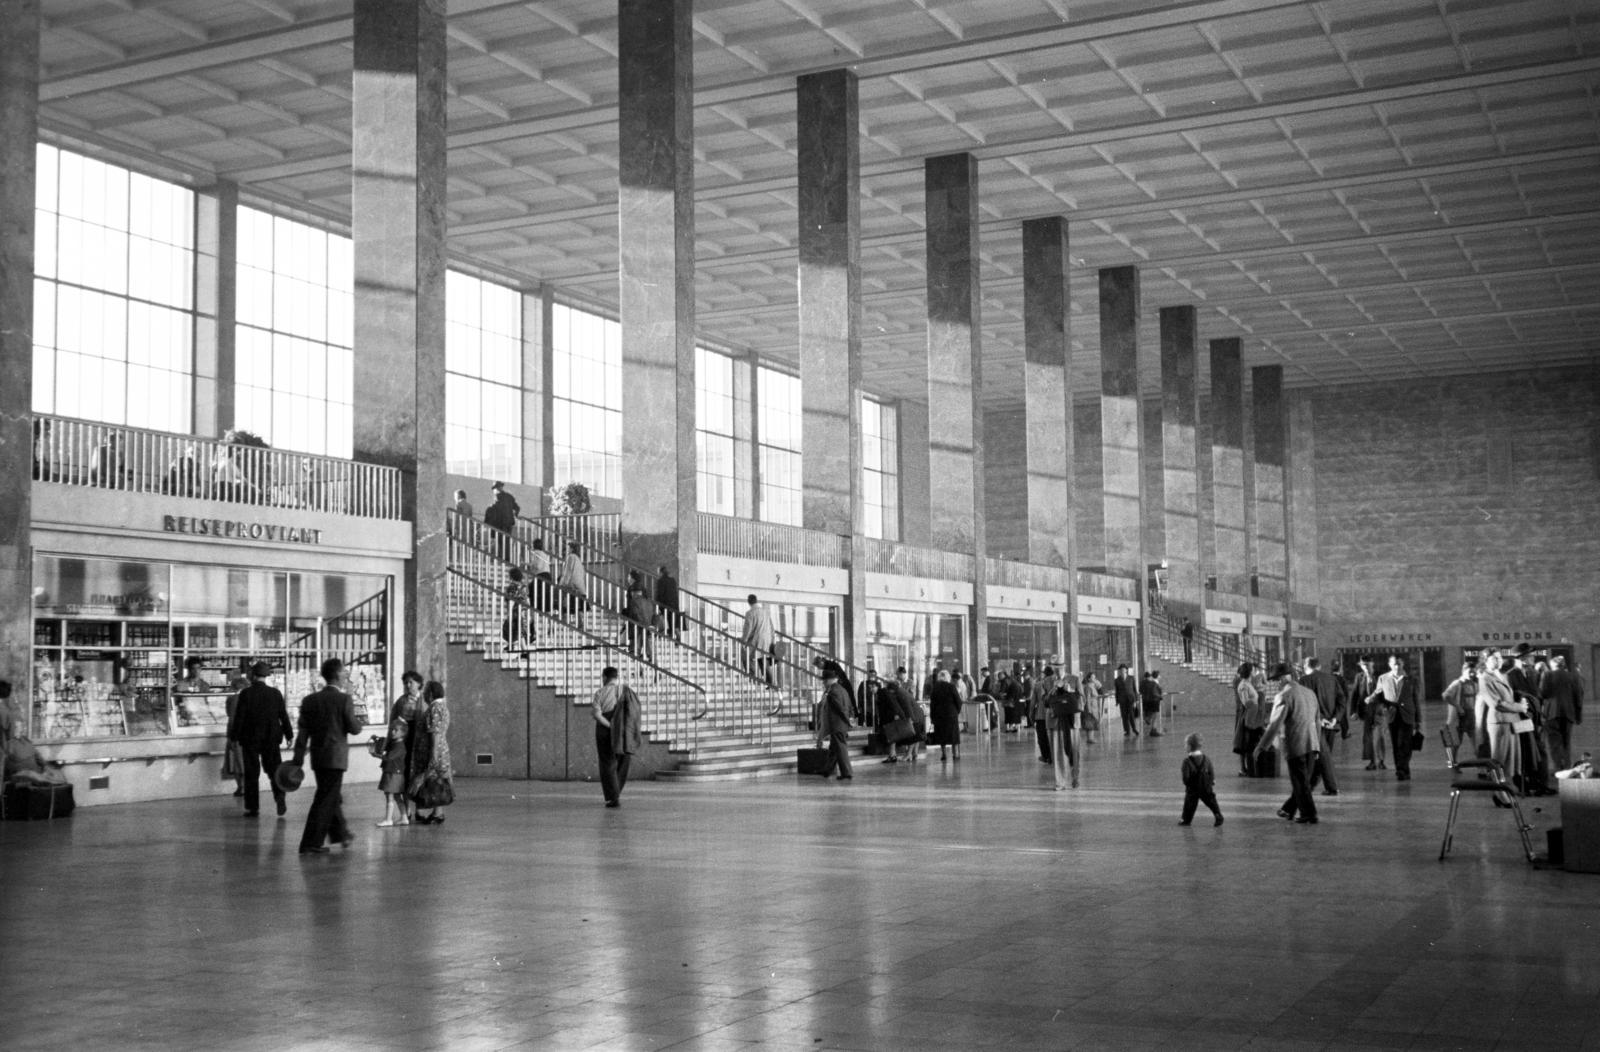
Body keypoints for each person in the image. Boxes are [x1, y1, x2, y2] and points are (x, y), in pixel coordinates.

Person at [293, 658, 362, 855]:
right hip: (336, 757)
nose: (346, 676)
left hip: (318, 756)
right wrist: (355, 714)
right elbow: (354, 728)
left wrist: (298, 758)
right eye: (344, 673)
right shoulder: (344, 699)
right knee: (325, 798)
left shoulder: (310, 700)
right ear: (338, 675)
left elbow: (303, 733)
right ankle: (310, 843)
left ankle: (341, 833)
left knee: (329, 795)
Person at [1255, 663, 1321, 824]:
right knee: (1303, 782)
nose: (1276, 683)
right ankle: (1288, 810)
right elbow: (1317, 720)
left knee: (1300, 782)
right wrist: (1317, 744)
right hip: (1312, 743)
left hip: (1295, 744)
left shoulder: (1284, 696)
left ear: (1285, 677)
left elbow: (1274, 725)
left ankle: (1309, 814)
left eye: (1277, 679)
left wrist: (1261, 746)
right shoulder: (1309, 693)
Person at [226, 661, 293, 819]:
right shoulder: (275, 693)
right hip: (271, 738)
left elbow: (239, 718)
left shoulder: (246, 694)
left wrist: (234, 737)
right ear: (266, 676)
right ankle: (279, 796)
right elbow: (283, 716)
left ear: (253, 676)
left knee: (251, 773)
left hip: (250, 739)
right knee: (274, 770)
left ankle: (252, 808)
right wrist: (289, 735)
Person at [1476, 648, 1524, 807]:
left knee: (1509, 761)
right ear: (1485, 661)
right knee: (1498, 761)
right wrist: (1519, 707)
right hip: (1499, 723)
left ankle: (1504, 790)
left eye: (1499, 657)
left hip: (1510, 721)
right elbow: (1496, 703)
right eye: (1494, 658)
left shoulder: (1501, 675)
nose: (1499, 660)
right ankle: (1499, 794)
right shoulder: (1484, 679)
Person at [378, 671, 424, 828]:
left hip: (418, 743)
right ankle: (406, 811)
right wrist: (387, 744)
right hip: (403, 743)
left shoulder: (423, 701)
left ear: (418, 683)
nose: (408, 685)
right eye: (406, 683)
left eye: (411, 682)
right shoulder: (400, 702)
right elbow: (392, 723)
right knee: (402, 776)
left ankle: (419, 809)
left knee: (416, 774)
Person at [593, 666, 642, 807]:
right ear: (616, 678)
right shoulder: (626, 691)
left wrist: (610, 726)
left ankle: (612, 797)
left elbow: (596, 714)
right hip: (623, 731)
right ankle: (616, 792)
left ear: (604, 677)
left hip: (604, 730)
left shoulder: (600, 693)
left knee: (607, 763)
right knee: (623, 761)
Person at [1368, 654, 1419, 781]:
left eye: (1399, 664)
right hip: (1392, 716)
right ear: (1389, 664)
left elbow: (1415, 700)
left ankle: (1403, 769)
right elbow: (1378, 693)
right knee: (1396, 744)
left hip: (1407, 715)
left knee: (1405, 744)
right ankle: (1400, 769)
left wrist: (1418, 720)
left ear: (1403, 665)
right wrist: (1371, 699)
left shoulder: (1411, 679)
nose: (1396, 666)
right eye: (1394, 664)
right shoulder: (1383, 678)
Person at [409, 680, 454, 824]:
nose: (423, 694)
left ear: (431, 693)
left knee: (433, 780)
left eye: (426, 691)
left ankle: (435, 813)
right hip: (439, 752)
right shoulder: (442, 707)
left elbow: (435, 734)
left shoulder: (435, 709)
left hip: (434, 752)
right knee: (436, 781)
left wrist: (433, 756)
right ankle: (437, 812)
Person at [1300, 657, 1346, 796]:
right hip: (1331, 725)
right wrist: (1334, 719)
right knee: (1323, 756)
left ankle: (1332, 787)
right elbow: (1342, 701)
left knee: (1322, 756)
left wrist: (1321, 719)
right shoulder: (1332, 679)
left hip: (1316, 725)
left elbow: (1306, 704)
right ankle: (1310, 785)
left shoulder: (1304, 681)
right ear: (1319, 666)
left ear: (1306, 666)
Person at [1540, 655, 1584, 775]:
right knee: (1566, 742)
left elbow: (1543, 693)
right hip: (1569, 714)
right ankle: (1568, 767)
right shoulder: (1573, 676)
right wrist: (1578, 716)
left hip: (1551, 714)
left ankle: (1558, 768)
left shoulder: (1548, 675)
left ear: (1553, 665)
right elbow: (1578, 697)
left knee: (1554, 743)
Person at [814, 665, 854, 781]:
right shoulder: (843, 690)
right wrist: (850, 719)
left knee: (840, 748)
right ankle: (827, 770)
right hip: (841, 725)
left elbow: (839, 708)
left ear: (830, 680)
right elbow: (849, 706)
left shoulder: (833, 691)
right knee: (834, 749)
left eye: (825, 681)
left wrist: (847, 720)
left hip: (837, 724)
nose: (824, 683)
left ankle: (847, 772)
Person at [1047, 667, 1082, 790]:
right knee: (1057, 752)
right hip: (1055, 720)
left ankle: (1075, 777)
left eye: (1059, 665)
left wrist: (1070, 690)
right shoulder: (1046, 681)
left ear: (1064, 666)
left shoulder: (1075, 679)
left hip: (1072, 721)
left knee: (1074, 751)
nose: (1057, 668)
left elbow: (1082, 699)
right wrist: (1052, 690)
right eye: (1054, 665)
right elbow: (1043, 701)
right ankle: (1060, 782)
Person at [1179, 732, 1224, 827]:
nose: (1184, 746)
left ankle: (1186, 820)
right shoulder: (1206, 759)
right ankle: (1218, 815)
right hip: (1205, 786)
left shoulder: (1186, 762)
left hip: (1193, 789)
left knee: (1189, 805)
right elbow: (1211, 771)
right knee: (1211, 801)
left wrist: (1188, 784)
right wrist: (1212, 781)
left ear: (1190, 747)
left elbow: (1185, 778)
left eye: (1185, 744)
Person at [1441, 659, 1480, 766]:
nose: (1472, 674)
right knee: (1455, 743)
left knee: (1476, 742)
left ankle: (1481, 765)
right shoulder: (1457, 683)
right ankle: (1452, 763)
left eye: (1473, 672)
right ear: (1463, 671)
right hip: (1459, 718)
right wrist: (1458, 707)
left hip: (1472, 716)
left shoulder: (1475, 684)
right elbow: (1445, 695)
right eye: (1469, 672)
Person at [1231, 662, 1262, 776]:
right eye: (1253, 670)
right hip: (1247, 715)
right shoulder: (1243, 684)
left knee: (1248, 740)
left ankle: (1248, 766)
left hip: (1251, 714)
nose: (1255, 672)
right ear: (1249, 672)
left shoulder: (1247, 683)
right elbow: (1246, 702)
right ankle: (1245, 767)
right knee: (1245, 740)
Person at [928, 668, 963, 762]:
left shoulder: (935, 688)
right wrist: (957, 711)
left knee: (941, 735)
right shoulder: (951, 686)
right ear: (948, 677)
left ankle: (944, 754)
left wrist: (932, 716)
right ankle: (955, 754)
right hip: (951, 715)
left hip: (939, 715)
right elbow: (958, 701)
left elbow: (932, 704)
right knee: (954, 736)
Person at [1349, 657, 1378, 767]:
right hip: (1365, 711)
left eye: (1367, 664)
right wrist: (1353, 711)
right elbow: (1355, 695)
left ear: (1372, 664)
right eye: (1362, 665)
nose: (1365, 667)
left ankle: (1379, 760)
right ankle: (1372, 761)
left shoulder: (1379, 676)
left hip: (1378, 710)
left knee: (1378, 736)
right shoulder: (1359, 677)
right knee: (1368, 736)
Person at [894, 667, 925, 763]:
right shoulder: (898, 683)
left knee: (913, 732)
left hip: (912, 709)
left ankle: (910, 754)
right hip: (909, 710)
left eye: (898, 674)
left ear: (902, 673)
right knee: (914, 733)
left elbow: (911, 695)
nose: (898, 676)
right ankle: (913, 753)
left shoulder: (910, 682)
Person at [741, 594, 774, 685]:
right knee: (763, 660)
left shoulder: (750, 613)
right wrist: (772, 640)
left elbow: (748, 629)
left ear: (749, 602)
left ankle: (754, 678)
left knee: (745, 656)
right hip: (766, 640)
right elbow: (771, 627)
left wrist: (743, 641)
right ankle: (770, 683)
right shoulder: (765, 612)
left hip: (755, 640)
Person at [483, 481, 520, 558]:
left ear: (497, 488)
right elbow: (517, 508)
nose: (494, 491)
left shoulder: (497, 496)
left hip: (501, 524)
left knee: (501, 542)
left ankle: (505, 559)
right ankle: (507, 558)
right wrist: (515, 515)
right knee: (507, 541)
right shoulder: (509, 496)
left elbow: (495, 509)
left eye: (494, 489)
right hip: (509, 524)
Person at [624, 571, 655, 661]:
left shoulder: (634, 589)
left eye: (628, 577)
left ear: (632, 578)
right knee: (647, 645)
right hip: (645, 621)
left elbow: (635, 607)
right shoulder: (643, 591)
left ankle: (641, 668)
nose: (627, 579)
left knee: (636, 648)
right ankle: (652, 666)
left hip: (637, 622)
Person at [556, 541, 588, 630]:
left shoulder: (570, 557)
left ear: (571, 549)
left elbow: (567, 572)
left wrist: (562, 583)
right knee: (577, 605)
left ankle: (565, 621)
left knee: (565, 601)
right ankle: (580, 623)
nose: (566, 550)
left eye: (568, 548)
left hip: (572, 584)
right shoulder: (578, 559)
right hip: (579, 585)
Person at [1029, 667, 1055, 763]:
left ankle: (1046, 756)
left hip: (1041, 715)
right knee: (1054, 736)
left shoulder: (1038, 685)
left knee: (1042, 737)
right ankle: (1054, 756)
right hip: (1054, 714)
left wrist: (1030, 713)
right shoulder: (1058, 684)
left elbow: (1033, 702)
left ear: (1044, 674)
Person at [526, 538, 555, 616]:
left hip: (540, 575)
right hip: (548, 576)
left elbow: (537, 565)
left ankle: (535, 611)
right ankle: (547, 613)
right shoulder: (544, 554)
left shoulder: (535, 553)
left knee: (532, 591)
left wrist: (527, 564)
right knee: (546, 595)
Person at [654, 565, 681, 640]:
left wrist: (658, 605)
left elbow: (660, 594)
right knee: (673, 623)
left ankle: (661, 634)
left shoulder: (660, 581)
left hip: (665, 605)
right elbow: (675, 593)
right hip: (674, 605)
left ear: (661, 572)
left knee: (663, 621)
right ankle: (677, 637)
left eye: (658, 572)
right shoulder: (672, 580)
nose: (657, 573)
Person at [1114, 664, 1139, 737]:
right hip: (1122, 700)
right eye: (1121, 670)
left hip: (1131, 699)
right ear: (1119, 671)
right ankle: (1126, 730)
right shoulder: (1117, 680)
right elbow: (1117, 691)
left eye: (1124, 669)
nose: (1122, 671)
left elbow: (1134, 689)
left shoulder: (1131, 678)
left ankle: (1134, 728)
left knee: (1131, 714)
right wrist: (1117, 701)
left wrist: (1136, 700)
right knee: (1124, 715)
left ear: (1126, 670)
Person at [1139, 669, 1165, 737]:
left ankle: (1151, 726)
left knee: (1151, 714)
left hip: (1148, 700)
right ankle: (1153, 729)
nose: (1160, 676)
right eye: (1159, 675)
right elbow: (1155, 692)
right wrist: (1160, 696)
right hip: (1154, 700)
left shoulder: (1147, 682)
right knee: (1155, 715)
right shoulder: (1154, 683)